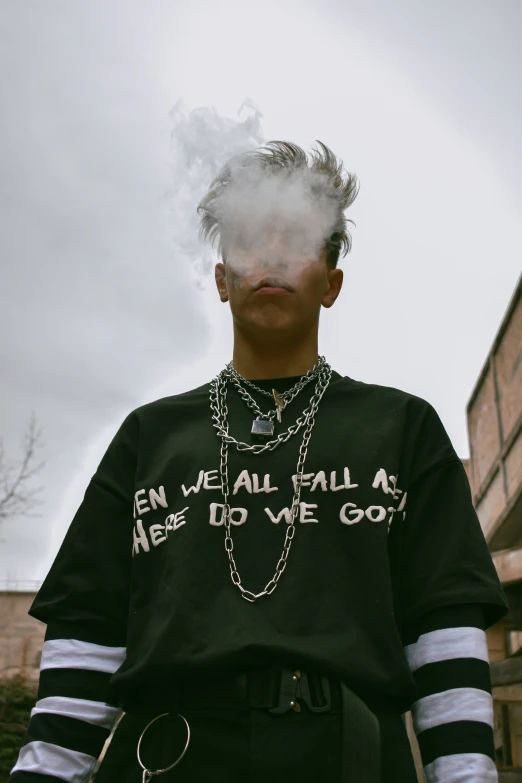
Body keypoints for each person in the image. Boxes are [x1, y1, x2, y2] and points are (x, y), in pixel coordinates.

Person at [9, 141, 508, 783]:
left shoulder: (401, 427)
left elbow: (444, 628)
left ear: (331, 283)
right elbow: (90, 634)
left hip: (350, 758)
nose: (272, 255)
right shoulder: (150, 436)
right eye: (250, 239)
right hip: (167, 758)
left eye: (297, 237)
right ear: (222, 280)